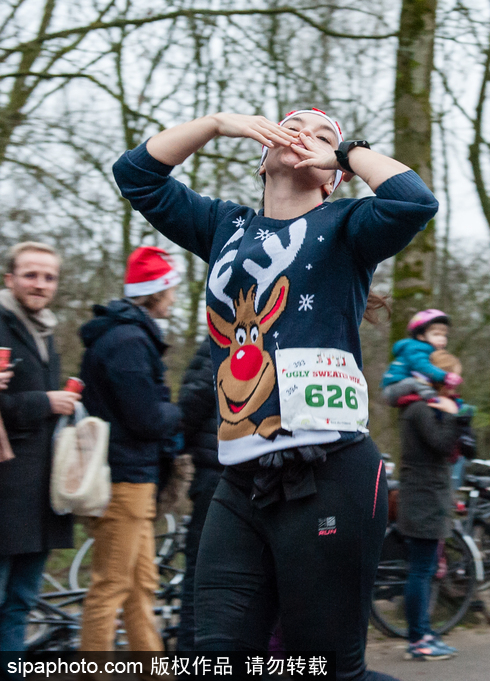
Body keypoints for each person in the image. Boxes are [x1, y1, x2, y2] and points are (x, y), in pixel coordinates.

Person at [112, 107, 436, 677]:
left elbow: (414, 201)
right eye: (292, 126)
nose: (304, 136)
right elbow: (136, 173)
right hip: (240, 482)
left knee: (324, 667)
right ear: (262, 156)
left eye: (322, 135)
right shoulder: (221, 226)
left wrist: (347, 153)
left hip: (331, 474)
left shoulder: (348, 226)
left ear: (331, 175)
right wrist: (216, 124)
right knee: (214, 661)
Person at [77, 246, 184, 652]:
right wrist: (180, 412)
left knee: (142, 587)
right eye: (170, 287)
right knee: (111, 587)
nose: (174, 296)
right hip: (124, 480)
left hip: (134, 479)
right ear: (156, 291)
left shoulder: (127, 336)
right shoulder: (128, 342)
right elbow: (146, 419)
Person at [0, 242, 77, 651]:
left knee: (21, 603)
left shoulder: (46, 330)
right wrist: (47, 402)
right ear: (9, 279)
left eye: (48, 277)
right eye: (31, 274)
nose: (40, 284)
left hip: (37, 494)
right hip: (6, 488)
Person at [397, 350, 471, 661]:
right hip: (422, 499)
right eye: (451, 379)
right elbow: (441, 444)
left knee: (425, 569)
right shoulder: (418, 410)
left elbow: (456, 447)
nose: (455, 386)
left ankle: (424, 633)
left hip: (432, 497)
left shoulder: (433, 408)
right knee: (421, 570)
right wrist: (453, 416)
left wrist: (461, 422)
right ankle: (418, 640)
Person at [174, 338, 223, 651]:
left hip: (237, 475)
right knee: (202, 575)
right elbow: (189, 408)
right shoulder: (218, 345)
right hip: (217, 476)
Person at [381, 309, 462, 406]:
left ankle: (449, 400)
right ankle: (435, 401)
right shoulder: (416, 348)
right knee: (415, 383)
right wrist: (445, 376)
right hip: (393, 389)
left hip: (403, 387)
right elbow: (422, 366)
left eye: (444, 335)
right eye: (436, 334)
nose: (442, 338)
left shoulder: (427, 350)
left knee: (424, 384)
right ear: (421, 336)